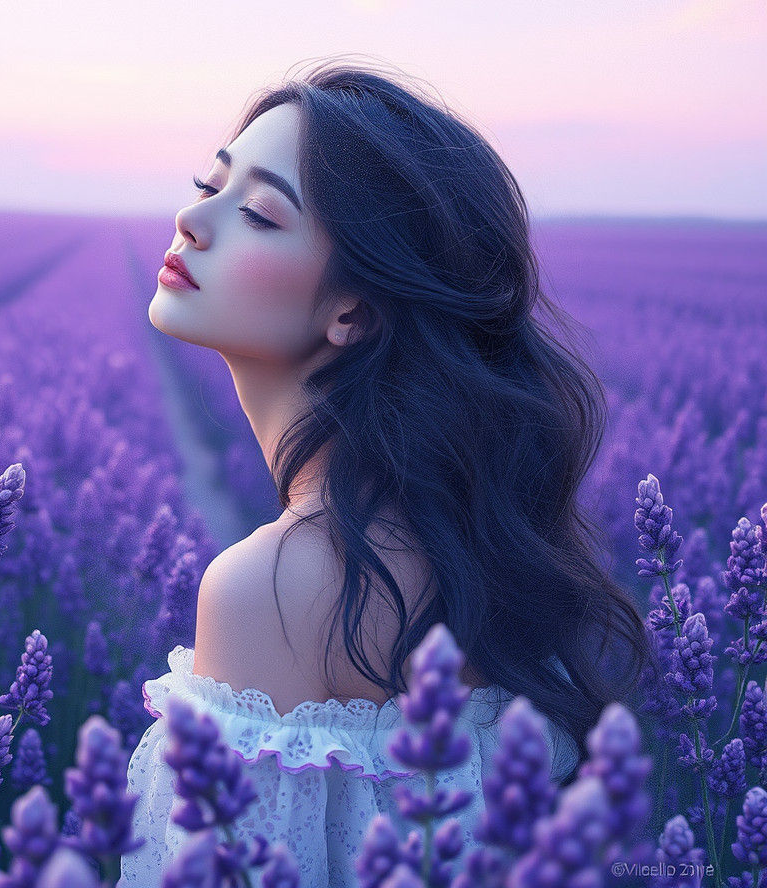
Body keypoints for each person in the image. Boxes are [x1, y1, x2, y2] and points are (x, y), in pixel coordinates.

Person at [119, 56, 653, 886]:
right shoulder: (480, 553)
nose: (193, 220)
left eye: (259, 213)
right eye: (208, 183)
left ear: (354, 310)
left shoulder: (271, 588)